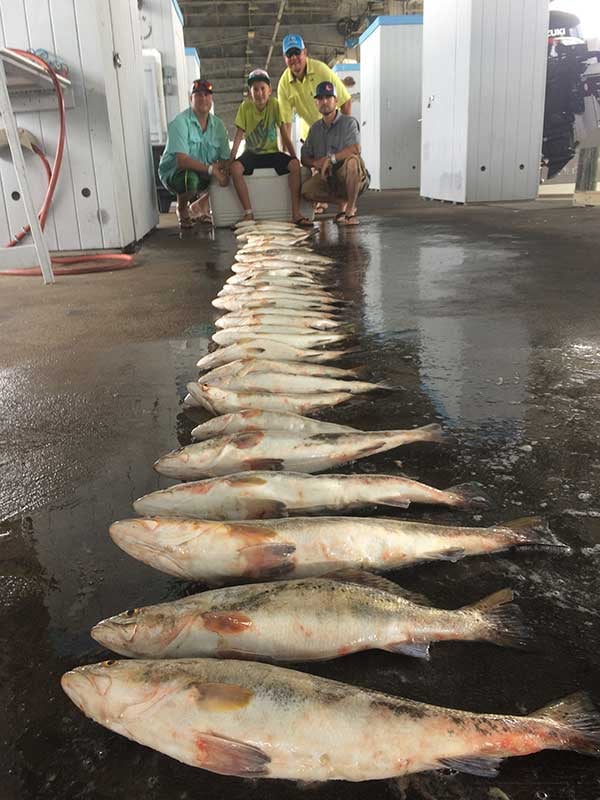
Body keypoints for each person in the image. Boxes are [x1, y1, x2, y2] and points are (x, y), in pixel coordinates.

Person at [228, 68, 312, 228]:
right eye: (255, 89)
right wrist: (230, 161)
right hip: (251, 154)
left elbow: (284, 134)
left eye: (262, 89)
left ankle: (296, 213)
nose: (259, 93)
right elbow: (239, 136)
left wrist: (294, 157)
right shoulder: (245, 107)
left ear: (269, 90)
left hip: (272, 153)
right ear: (250, 92)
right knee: (235, 169)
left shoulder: (275, 104)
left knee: (294, 165)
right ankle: (248, 213)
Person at [158, 78, 230, 229]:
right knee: (190, 181)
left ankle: (201, 205)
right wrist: (212, 169)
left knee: (232, 171)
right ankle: (182, 208)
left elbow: (225, 158)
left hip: (203, 171)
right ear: (191, 98)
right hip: (176, 173)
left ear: (211, 99)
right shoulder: (180, 122)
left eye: (207, 95)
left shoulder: (218, 125)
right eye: (198, 95)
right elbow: (182, 161)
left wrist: (218, 168)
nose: (203, 98)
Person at [300, 81, 369, 226]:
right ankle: (344, 202)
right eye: (320, 98)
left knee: (352, 162)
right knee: (306, 191)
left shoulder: (348, 122)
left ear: (336, 101)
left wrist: (330, 159)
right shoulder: (315, 129)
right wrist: (315, 163)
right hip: (329, 180)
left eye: (328, 97)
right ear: (316, 103)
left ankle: (349, 212)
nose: (324, 101)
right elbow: (304, 156)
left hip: (351, 176)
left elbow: (356, 148)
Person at [277, 34, 352, 143]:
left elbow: (345, 101)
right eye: (289, 54)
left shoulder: (321, 70)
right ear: (285, 58)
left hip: (333, 133)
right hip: (310, 138)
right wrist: (285, 156)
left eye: (297, 52)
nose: (293, 57)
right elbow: (285, 124)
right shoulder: (283, 85)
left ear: (305, 52)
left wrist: (344, 138)